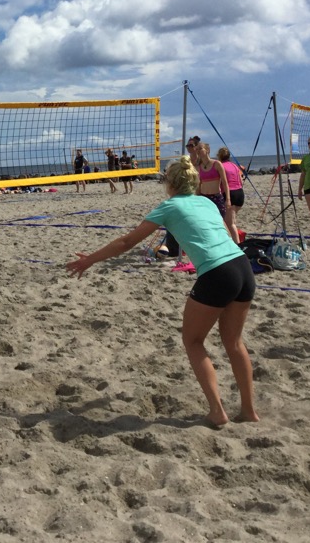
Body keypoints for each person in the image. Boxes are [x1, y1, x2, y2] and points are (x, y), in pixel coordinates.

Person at [66, 156, 258, 427]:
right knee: (234, 343)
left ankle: (217, 411)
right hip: (242, 266)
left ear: (170, 183)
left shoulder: (169, 206)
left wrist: (90, 260)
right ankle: (249, 411)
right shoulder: (206, 202)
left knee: (193, 341)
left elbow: (127, 242)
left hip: (218, 273)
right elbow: (226, 234)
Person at [195, 143, 236, 242]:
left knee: (221, 223)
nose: (198, 151)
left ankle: (229, 242)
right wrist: (197, 197)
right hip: (204, 198)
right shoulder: (199, 167)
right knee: (206, 223)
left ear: (207, 150)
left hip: (216, 197)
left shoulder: (216, 164)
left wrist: (228, 199)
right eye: (197, 149)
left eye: (200, 149)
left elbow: (225, 182)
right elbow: (199, 185)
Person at [217, 147, 244, 240]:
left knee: (230, 224)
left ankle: (238, 245)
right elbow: (241, 181)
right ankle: (234, 241)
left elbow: (219, 182)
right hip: (240, 193)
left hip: (230, 193)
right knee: (232, 221)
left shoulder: (220, 166)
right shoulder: (234, 165)